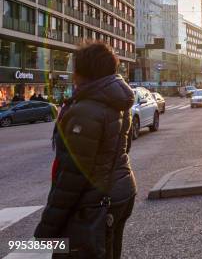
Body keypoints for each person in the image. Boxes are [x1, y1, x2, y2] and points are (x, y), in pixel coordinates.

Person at [35, 41, 136, 259]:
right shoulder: (114, 101)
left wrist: (47, 227)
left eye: (75, 69)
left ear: (84, 73)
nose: (73, 75)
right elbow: (121, 147)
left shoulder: (87, 109)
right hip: (120, 190)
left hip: (94, 201)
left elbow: (72, 175)